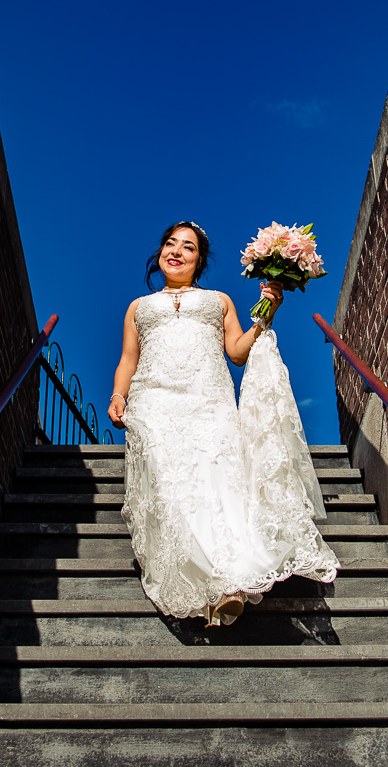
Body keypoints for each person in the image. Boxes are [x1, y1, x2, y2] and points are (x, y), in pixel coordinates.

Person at [108, 221, 339, 626]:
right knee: (170, 487)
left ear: (199, 261)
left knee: (213, 488)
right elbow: (129, 359)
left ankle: (227, 585)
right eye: (169, 244)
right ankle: (204, 585)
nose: (176, 251)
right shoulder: (138, 308)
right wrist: (118, 395)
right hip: (154, 402)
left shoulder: (219, 300)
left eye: (188, 247)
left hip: (208, 401)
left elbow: (236, 352)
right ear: (160, 252)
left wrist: (268, 312)